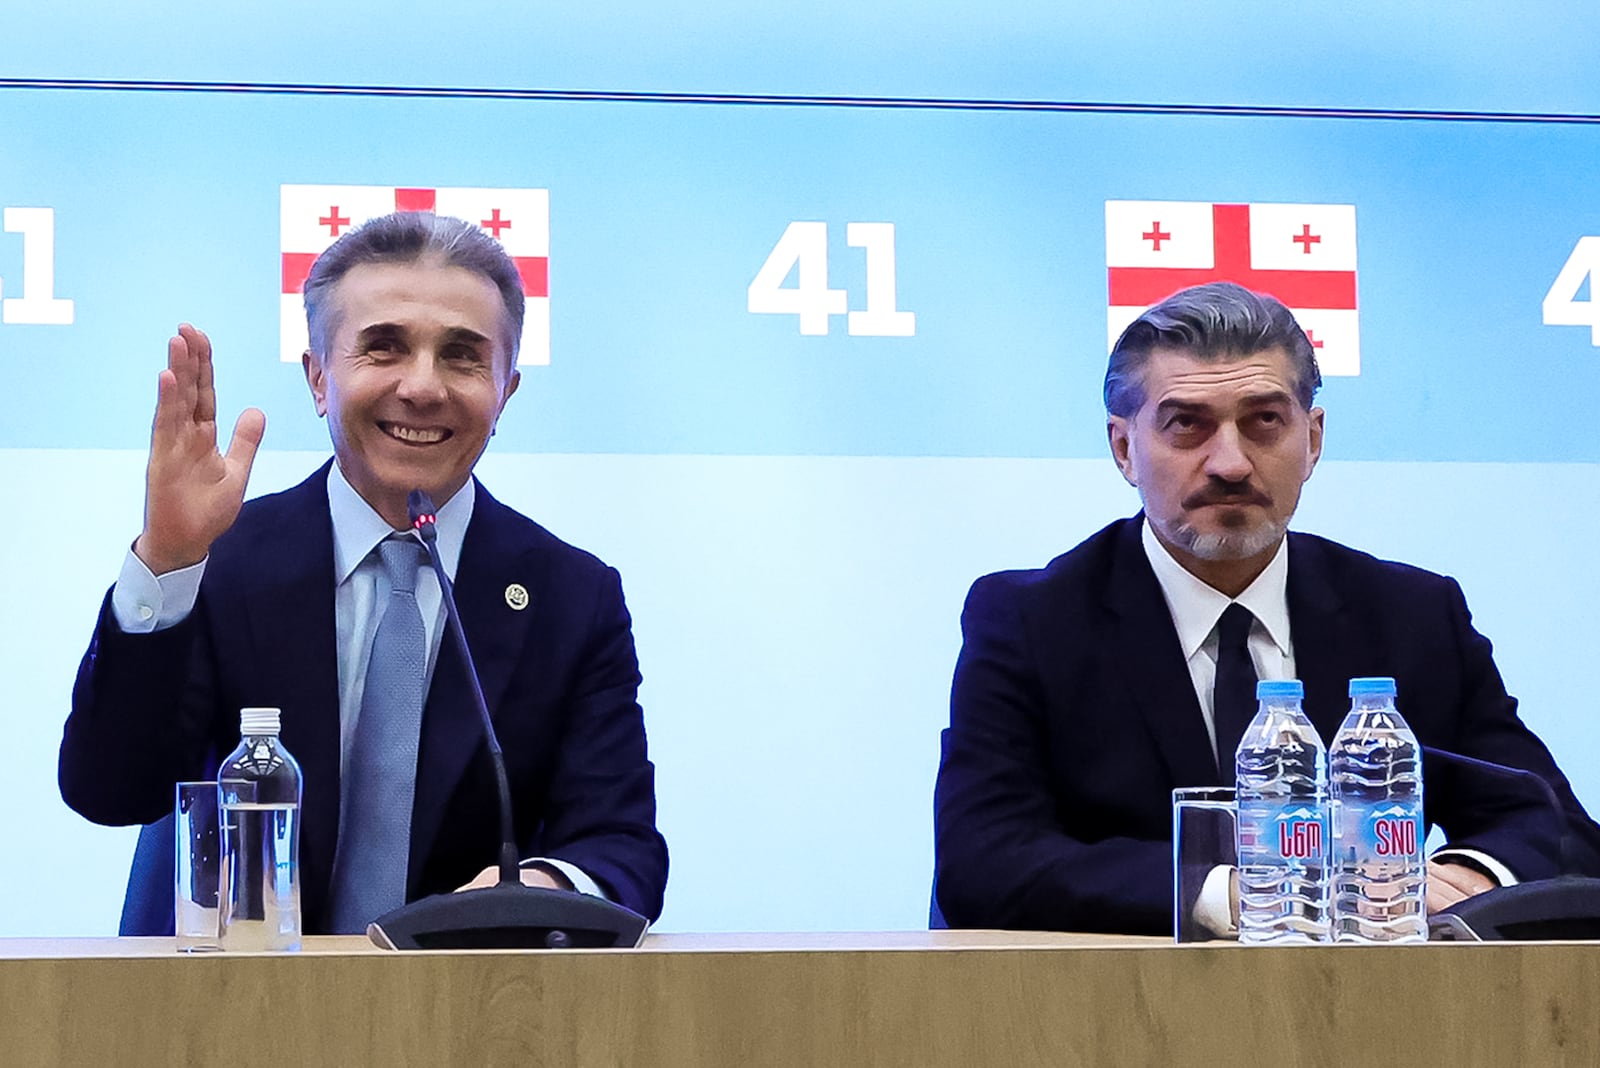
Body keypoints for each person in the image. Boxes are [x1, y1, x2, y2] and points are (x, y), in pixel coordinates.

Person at [60, 211, 667, 933]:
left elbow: (621, 844)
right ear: (319, 378)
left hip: (465, 1022)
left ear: (505, 392)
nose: (422, 386)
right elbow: (108, 789)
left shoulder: (572, 598)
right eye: (384, 348)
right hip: (223, 1019)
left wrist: (540, 885)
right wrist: (168, 559)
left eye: (463, 356)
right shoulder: (223, 563)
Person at [932, 281, 1600, 935]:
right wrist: (1243, 890)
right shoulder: (1031, 620)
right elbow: (985, 862)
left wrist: (1470, 879)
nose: (1229, 462)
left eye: (1264, 422)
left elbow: (1554, 823)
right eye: (1187, 425)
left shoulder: (1412, 615)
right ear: (1124, 448)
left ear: (1311, 439)